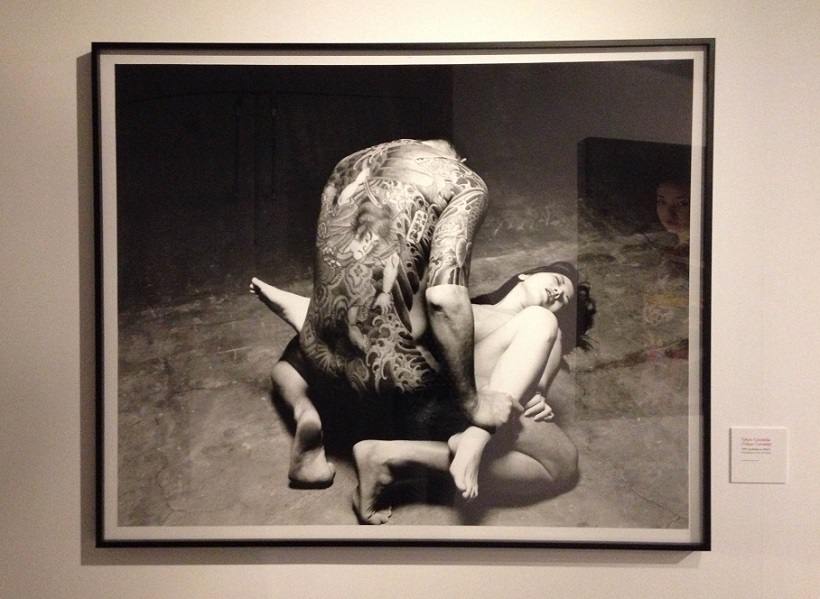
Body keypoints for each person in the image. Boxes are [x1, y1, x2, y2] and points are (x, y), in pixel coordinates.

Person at [256, 139, 515, 494]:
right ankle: (384, 456)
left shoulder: (347, 163)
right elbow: (444, 298)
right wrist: (473, 403)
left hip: (319, 356)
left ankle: (305, 410)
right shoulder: (462, 182)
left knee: (291, 362)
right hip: (392, 380)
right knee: (538, 448)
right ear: (458, 160)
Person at [251, 261, 596, 523]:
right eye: (557, 282)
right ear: (525, 275)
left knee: (562, 463)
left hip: (451, 403)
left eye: (563, 301)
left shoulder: (542, 331)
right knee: (444, 308)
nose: (557, 295)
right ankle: (324, 323)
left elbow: (533, 386)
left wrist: (538, 397)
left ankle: (390, 455)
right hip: (434, 390)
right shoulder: (481, 310)